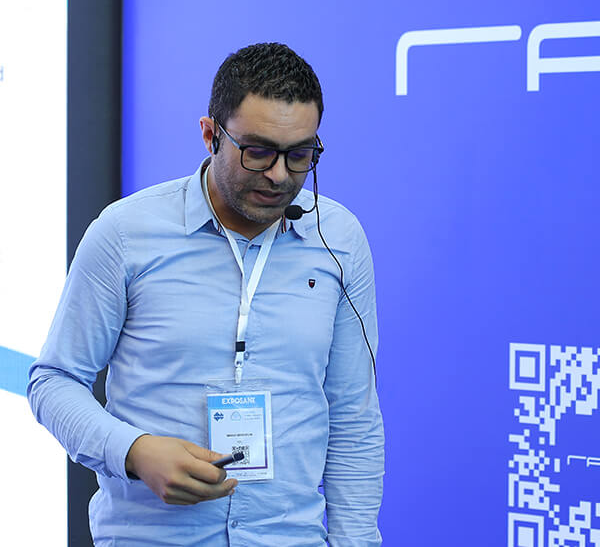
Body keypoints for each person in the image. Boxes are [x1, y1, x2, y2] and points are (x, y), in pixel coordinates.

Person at [28, 42, 384, 545]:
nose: (279, 175)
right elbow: (54, 381)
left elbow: (353, 418)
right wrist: (134, 451)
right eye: (257, 152)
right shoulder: (125, 233)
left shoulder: (338, 239)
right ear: (210, 134)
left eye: (300, 155)